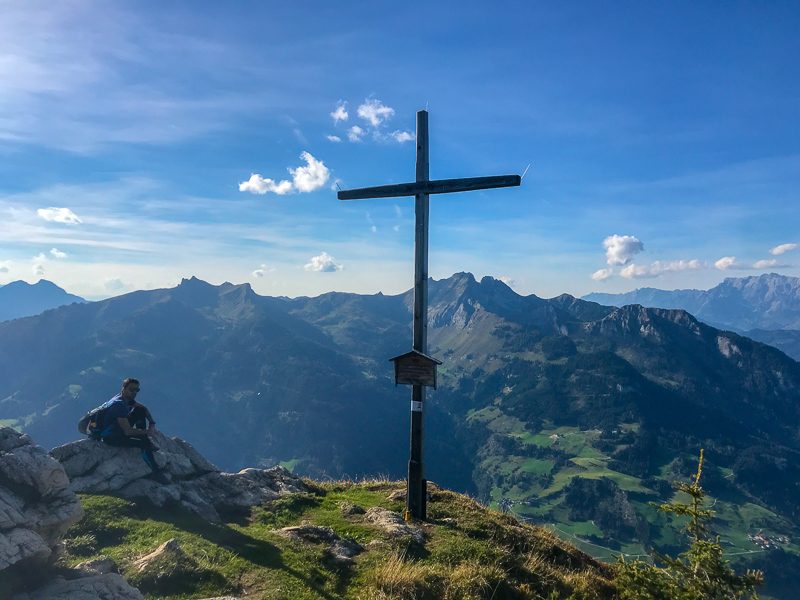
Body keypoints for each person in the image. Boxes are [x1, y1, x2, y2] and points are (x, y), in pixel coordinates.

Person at [96, 378, 169, 483]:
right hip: (111, 437)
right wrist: (147, 432)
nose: (134, 392)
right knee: (143, 443)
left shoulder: (126, 398)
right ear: (124, 388)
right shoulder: (118, 404)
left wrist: (152, 424)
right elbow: (128, 431)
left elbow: (143, 409)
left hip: (117, 428)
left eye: (137, 390)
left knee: (139, 412)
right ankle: (156, 472)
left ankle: (146, 440)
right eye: (132, 389)